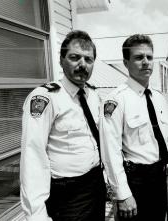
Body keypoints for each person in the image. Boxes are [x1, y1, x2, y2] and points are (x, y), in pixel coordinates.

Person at [20, 30, 106, 221]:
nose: (82, 64)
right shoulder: (46, 98)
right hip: (67, 195)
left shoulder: (93, 96)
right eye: (74, 57)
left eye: (88, 59)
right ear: (61, 60)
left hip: (95, 185)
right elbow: (33, 156)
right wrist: (36, 215)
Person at [100, 34, 168, 221]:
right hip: (134, 181)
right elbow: (110, 152)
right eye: (138, 57)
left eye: (149, 57)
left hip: (159, 177)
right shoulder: (116, 100)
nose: (146, 62)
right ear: (126, 63)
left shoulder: (158, 97)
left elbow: (167, 135)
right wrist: (123, 194)